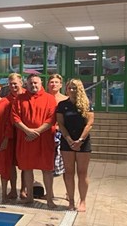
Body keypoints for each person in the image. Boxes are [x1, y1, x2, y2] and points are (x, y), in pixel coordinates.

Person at [11, 74, 58, 208]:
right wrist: (28, 131)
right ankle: (29, 197)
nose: (33, 85)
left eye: (36, 83)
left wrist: (36, 132)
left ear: (41, 83)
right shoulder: (20, 99)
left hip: (44, 139)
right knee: (27, 169)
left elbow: (51, 119)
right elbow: (15, 118)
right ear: (27, 84)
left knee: (47, 169)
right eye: (31, 83)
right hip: (26, 139)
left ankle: (49, 198)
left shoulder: (49, 99)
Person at [57, 79, 94, 212]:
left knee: (82, 172)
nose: (72, 90)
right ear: (66, 89)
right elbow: (60, 124)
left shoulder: (87, 104)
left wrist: (80, 140)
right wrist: (68, 139)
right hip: (67, 142)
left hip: (83, 142)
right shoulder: (62, 105)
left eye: (75, 88)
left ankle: (82, 201)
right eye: (70, 88)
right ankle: (71, 200)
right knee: (69, 172)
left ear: (80, 89)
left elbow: (89, 124)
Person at [6, 73, 26, 200]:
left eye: (15, 83)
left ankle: (23, 190)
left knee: (25, 164)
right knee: (11, 164)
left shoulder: (27, 97)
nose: (13, 86)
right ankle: (13, 189)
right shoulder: (6, 100)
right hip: (11, 136)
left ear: (21, 83)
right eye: (11, 84)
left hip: (24, 134)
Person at [47, 73, 68, 178]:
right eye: (51, 82)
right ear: (47, 84)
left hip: (62, 134)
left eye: (56, 82)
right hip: (47, 133)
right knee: (48, 166)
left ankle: (69, 193)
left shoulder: (66, 100)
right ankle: (49, 193)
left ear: (61, 85)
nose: (53, 84)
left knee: (65, 166)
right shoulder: (44, 98)